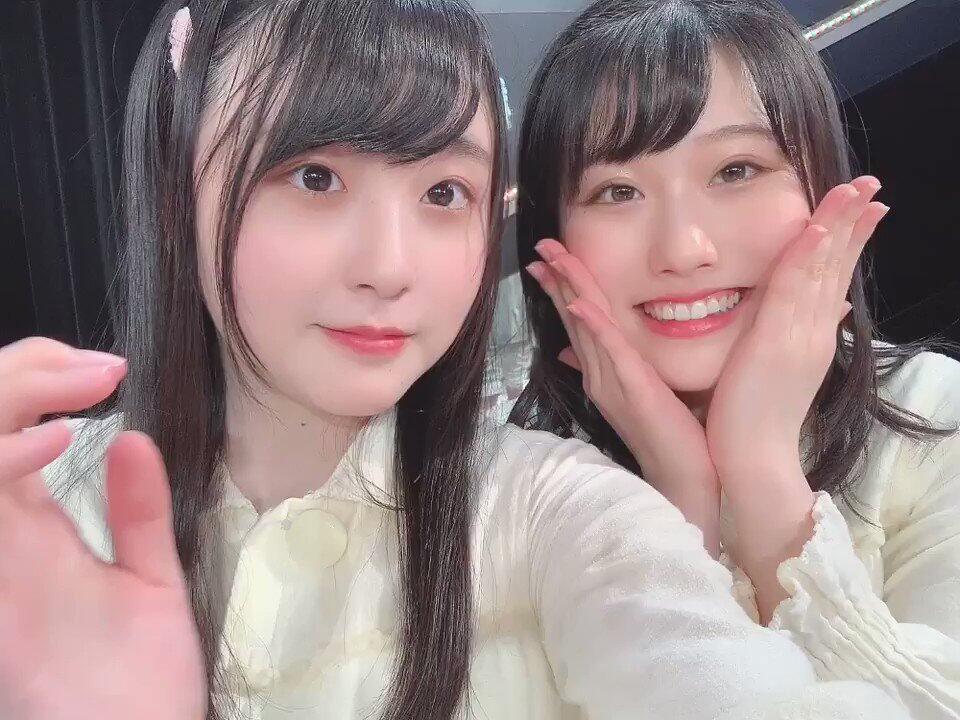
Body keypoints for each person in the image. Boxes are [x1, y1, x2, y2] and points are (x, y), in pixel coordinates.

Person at [0, 1, 913, 719]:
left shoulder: (552, 508)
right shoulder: (38, 510)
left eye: (444, 192)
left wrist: (746, 468)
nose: (390, 266)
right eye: (315, 177)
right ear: (175, 182)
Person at [515, 0, 960, 717]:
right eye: (618, 191)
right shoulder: (518, 491)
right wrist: (680, 506)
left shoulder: (936, 416)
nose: (684, 248)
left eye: (736, 170)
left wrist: (757, 466)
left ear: (822, 186)